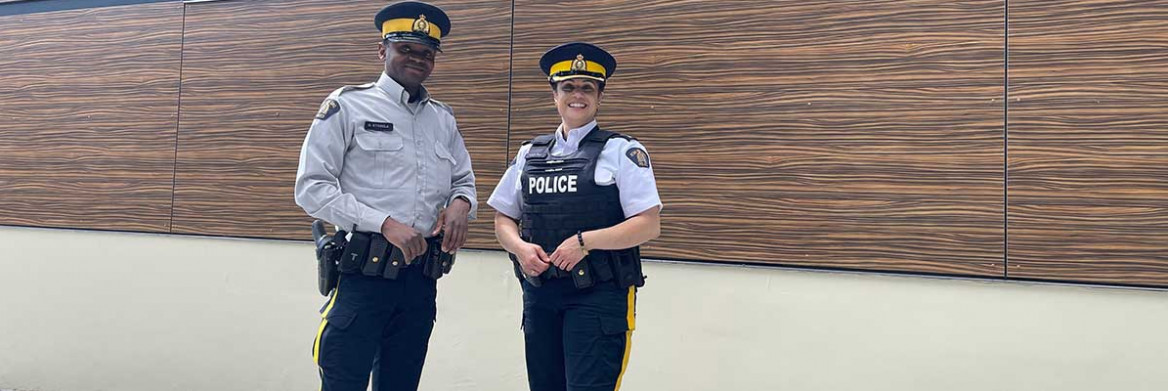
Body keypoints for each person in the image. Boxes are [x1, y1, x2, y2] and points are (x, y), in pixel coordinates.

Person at [293, 2, 476, 390]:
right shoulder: (347, 105)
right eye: (406, 49)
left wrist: (462, 204)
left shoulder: (442, 118)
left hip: (421, 280)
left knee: (402, 383)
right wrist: (386, 223)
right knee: (344, 380)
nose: (417, 59)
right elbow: (311, 188)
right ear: (383, 51)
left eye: (426, 54)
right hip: (363, 274)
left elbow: (463, 179)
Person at [489, 42, 662, 391]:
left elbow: (648, 223)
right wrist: (520, 249)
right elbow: (503, 219)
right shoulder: (529, 154)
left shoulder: (623, 151)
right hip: (540, 293)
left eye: (587, 88)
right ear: (554, 95)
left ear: (599, 96)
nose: (577, 95)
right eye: (568, 87)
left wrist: (585, 242)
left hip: (598, 294)